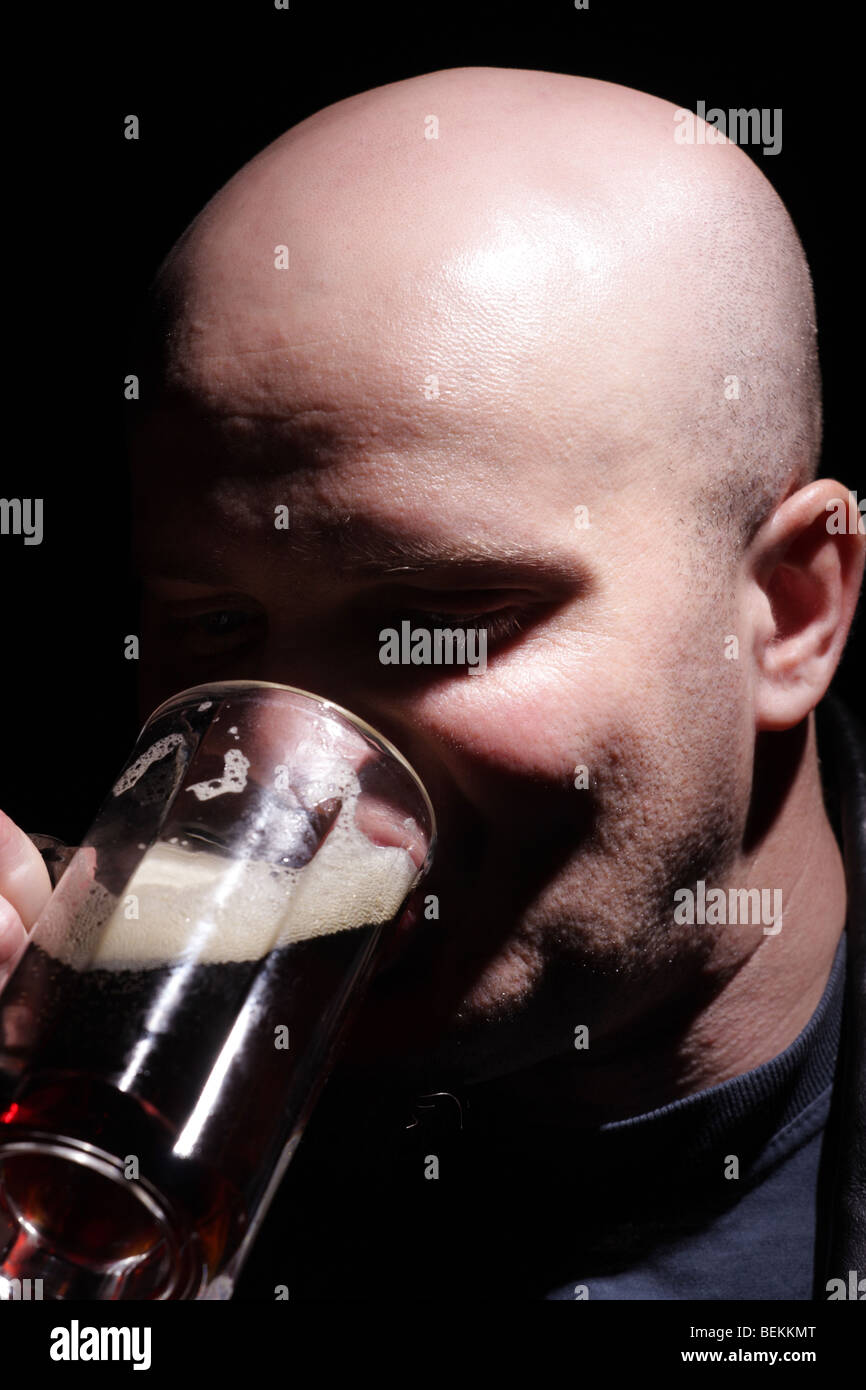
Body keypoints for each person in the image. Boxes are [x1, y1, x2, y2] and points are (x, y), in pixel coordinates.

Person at [1, 67, 863, 1300]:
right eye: (217, 622)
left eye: (444, 623)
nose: (300, 788)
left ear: (787, 613)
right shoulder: (106, 1121)